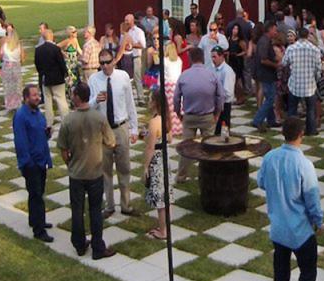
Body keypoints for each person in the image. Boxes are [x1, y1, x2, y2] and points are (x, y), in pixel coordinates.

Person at [258, 117, 324, 281]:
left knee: (281, 271)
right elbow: (312, 197)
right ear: (301, 135)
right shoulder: (304, 164)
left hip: (278, 228)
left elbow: (261, 182)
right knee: (307, 273)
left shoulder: (270, 157)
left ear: (283, 133)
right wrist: (318, 221)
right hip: (300, 229)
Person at [58, 82, 117, 260]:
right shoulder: (99, 118)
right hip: (95, 172)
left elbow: (63, 149)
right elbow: (111, 142)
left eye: (73, 94)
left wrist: (70, 163)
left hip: (76, 174)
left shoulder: (68, 120)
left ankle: (79, 244)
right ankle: (98, 247)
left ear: (77, 97)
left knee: (77, 210)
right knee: (95, 210)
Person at [87, 48, 139, 215]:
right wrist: (96, 100)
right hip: (103, 130)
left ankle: (126, 205)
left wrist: (134, 128)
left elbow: (130, 103)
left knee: (124, 168)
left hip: (120, 127)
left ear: (113, 61)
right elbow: (88, 106)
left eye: (107, 62)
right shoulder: (94, 79)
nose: (105, 66)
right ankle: (109, 206)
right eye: (101, 63)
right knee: (105, 170)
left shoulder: (123, 76)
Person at [172, 47, 223, 183]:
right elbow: (220, 96)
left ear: (190, 59)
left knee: (186, 148)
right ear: (203, 58)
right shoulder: (212, 75)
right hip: (207, 116)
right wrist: (217, 113)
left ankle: (181, 176)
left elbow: (176, 98)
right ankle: (208, 175)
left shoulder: (184, 75)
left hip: (189, 116)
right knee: (209, 147)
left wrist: (178, 113)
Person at [14, 84, 54, 243]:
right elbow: (20, 142)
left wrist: (47, 134)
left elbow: (40, 134)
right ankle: (39, 230)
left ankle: (35, 220)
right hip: (31, 163)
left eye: (38, 95)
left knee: (37, 193)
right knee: (37, 195)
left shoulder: (38, 113)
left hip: (41, 160)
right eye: (34, 95)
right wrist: (28, 163)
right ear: (26, 98)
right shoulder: (20, 116)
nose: (38, 98)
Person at [282, 27, 323, 135]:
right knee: (310, 109)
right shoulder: (315, 49)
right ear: (307, 35)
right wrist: (316, 78)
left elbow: (284, 63)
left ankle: (291, 130)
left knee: (292, 109)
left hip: (295, 83)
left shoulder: (291, 48)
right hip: (310, 84)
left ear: (298, 35)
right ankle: (311, 130)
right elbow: (318, 68)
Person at [143, 88, 172, 240]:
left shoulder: (154, 122)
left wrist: (145, 166)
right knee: (165, 196)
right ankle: (165, 226)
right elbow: (170, 138)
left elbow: (150, 147)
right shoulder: (166, 119)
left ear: (155, 102)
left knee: (160, 199)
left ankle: (163, 231)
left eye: (150, 99)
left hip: (157, 161)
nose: (148, 102)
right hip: (165, 159)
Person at [35, 25, 70, 124]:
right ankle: (66, 120)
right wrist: (65, 74)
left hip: (45, 78)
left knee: (48, 101)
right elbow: (61, 63)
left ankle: (49, 121)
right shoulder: (56, 49)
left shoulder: (38, 49)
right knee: (61, 100)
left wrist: (42, 74)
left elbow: (37, 64)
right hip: (57, 78)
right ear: (52, 36)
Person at [252, 21, 280, 130]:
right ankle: (257, 120)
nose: (276, 32)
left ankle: (271, 120)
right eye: (275, 30)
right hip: (266, 74)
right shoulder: (264, 41)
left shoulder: (265, 40)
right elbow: (263, 60)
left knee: (270, 97)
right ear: (270, 29)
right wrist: (276, 65)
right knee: (270, 99)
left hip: (267, 74)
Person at [212, 46, 236, 134]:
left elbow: (228, 92)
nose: (213, 59)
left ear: (222, 56)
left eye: (214, 57)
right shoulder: (214, 69)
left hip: (224, 104)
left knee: (223, 130)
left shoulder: (227, 71)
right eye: (212, 57)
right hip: (217, 103)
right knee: (216, 130)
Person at [161, 42, 183, 138]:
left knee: (168, 108)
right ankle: (178, 127)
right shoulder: (179, 60)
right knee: (177, 107)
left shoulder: (165, 60)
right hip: (177, 85)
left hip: (168, 86)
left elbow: (162, 75)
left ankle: (170, 127)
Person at [1, 27, 24, 111]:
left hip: (7, 66)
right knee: (17, 85)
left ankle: (9, 104)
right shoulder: (18, 46)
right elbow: (22, 57)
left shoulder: (5, 45)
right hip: (16, 65)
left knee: (8, 86)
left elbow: (0, 55)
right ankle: (17, 103)